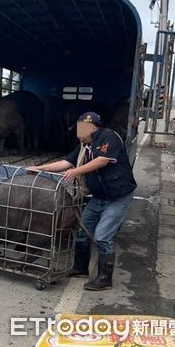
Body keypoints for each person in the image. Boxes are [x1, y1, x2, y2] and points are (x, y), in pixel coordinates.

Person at [27, 112, 136, 291]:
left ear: (90, 126)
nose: (77, 132)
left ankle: (104, 279)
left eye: (79, 127)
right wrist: (38, 168)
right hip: (99, 197)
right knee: (82, 231)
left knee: (102, 236)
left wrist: (77, 171)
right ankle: (80, 268)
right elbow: (65, 163)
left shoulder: (108, 136)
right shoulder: (84, 146)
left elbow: (103, 160)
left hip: (117, 198)